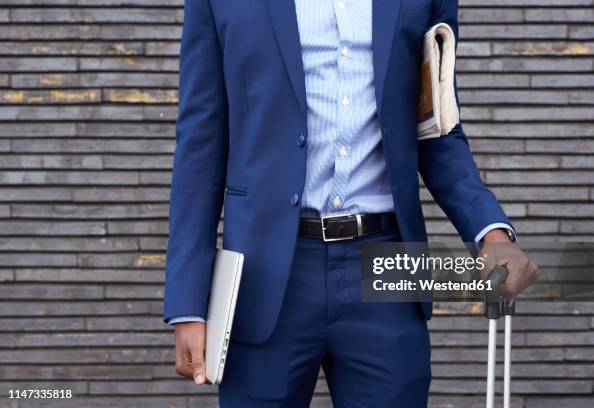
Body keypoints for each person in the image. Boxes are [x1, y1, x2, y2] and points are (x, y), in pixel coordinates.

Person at [164, 0, 538, 406]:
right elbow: (200, 145)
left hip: (385, 269)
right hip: (265, 275)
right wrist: (188, 304)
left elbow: (438, 130)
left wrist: (491, 231)